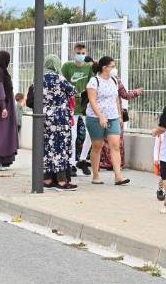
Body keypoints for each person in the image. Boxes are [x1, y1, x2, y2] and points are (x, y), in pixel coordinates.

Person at [85, 56, 130, 185]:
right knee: (97, 146)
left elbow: (115, 98)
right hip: (95, 118)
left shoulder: (114, 81)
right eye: (112, 66)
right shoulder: (94, 81)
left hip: (113, 117)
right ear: (105, 68)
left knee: (115, 145)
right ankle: (96, 175)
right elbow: (92, 101)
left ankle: (118, 176)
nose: (114, 69)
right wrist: (100, 116)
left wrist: (119, 115)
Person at [39, 55, 77, 191]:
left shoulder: (39, 78)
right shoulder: (59, 78)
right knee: (60, 148)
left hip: (44, 118)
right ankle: (61, 182)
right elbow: (73, 91)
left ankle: (47, 179)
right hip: (60, 118)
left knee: (47, 148)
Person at [98, 65, 143, 172]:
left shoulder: (99, 80)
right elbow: (125, 95)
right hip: (115, 114)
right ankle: (117, 163)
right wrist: (137, 92)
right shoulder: (116, 81)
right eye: (111, 66)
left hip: (104, 113)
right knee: (117, 139)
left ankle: (108, 162)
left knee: (105, 139)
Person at [62, 43, 93, 175]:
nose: (81, 56)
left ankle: (82, 159)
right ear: (74, 53)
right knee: (72, 134)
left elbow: (92, 84)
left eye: (83, 53)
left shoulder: (89, 68)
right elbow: (62, 82)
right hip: (72, 105)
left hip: (86, 104)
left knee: (91, 133)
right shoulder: (67, 66)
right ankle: (71, 163)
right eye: (78, 53)